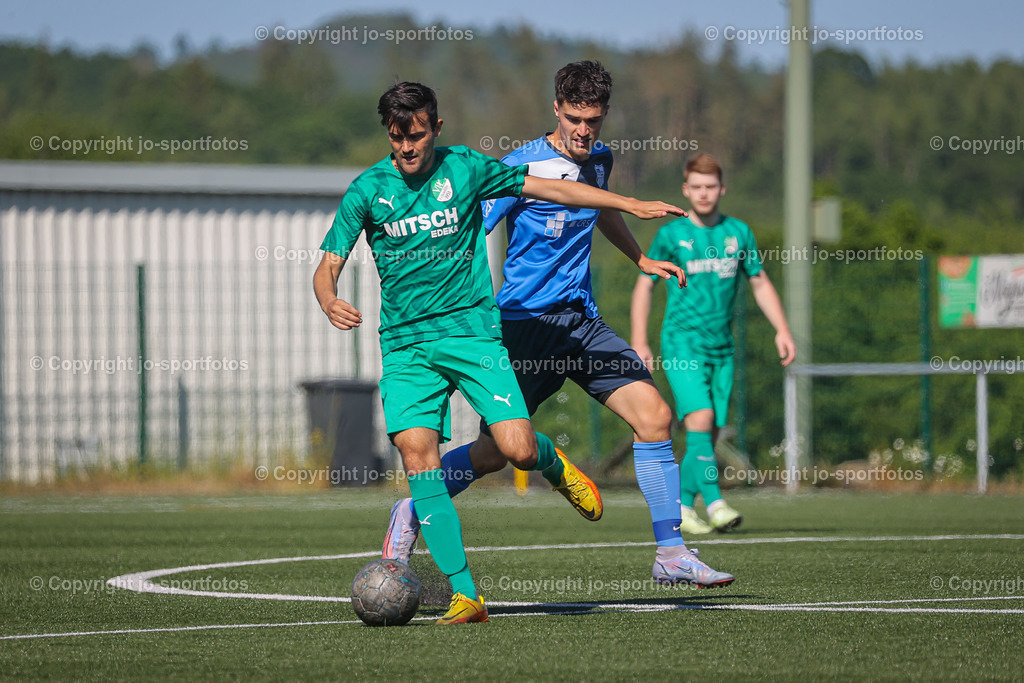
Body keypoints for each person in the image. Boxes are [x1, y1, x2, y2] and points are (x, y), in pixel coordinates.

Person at [314, 81, 684, 625]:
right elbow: (328, 264)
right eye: (397, 139)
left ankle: (551, 462)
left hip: (473, 336)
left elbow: (555, 190)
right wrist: (329, 299)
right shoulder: (367, 190)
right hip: (406, 347)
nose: (407, 149)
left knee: (515, 448)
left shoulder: (466, 168)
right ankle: (467, 594)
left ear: (436, 128)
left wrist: (629, 204)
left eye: (416, 136)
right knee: (420, 458)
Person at [381, 62, 735, 589]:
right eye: (573, 118)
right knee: (497, 453)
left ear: (604, 114)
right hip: (524, 326)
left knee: (655, 416)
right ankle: (411, 511)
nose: (583, 130)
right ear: (556, 110)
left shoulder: (599, 159)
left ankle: (671, 552)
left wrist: (638, 259)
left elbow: (600, 209)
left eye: (592, 119)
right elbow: (468, 226)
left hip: (582, 324)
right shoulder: (520, 166)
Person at [631, 153, 796, 534]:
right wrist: (640, 339)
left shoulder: (738, 232)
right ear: (686, 190)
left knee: (709, 432)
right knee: (700, 420)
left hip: (722, 349)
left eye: (711, 187)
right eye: (697, 187)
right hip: (682, 343)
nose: (704, 194)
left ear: (722, 189)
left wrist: (782, 329)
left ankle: (684, 507)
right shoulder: (672, 234)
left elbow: (759, 281)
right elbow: (645, 283)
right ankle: (716, 502)